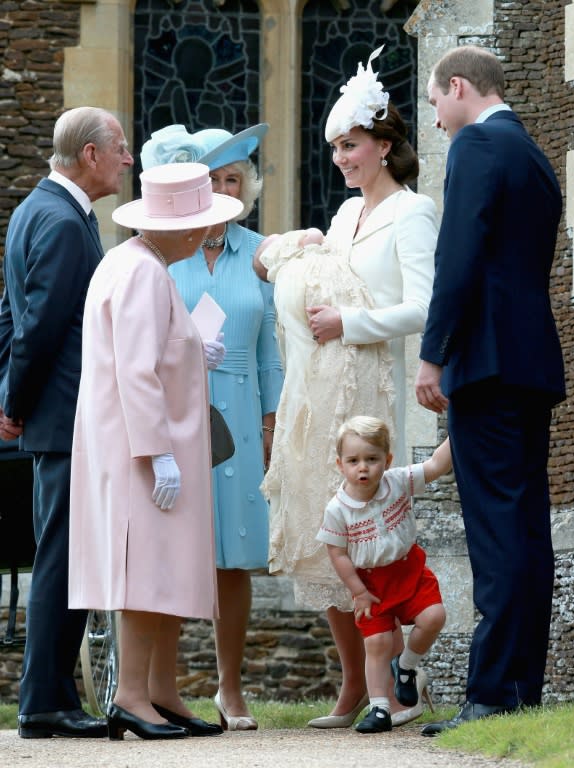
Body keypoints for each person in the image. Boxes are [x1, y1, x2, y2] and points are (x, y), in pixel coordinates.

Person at [255, 46, 438, 728]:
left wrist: (350, 321)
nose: (340, 158)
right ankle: (352, 685)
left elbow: (425, 305)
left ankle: (382, 684)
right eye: (333, 147)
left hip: (367, 391)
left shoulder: (412, 212)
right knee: (323, 525)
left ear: (384, 146)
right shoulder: (340, 216)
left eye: (351, 145)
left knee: (365, 539)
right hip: (321, 389)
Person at [415, 45, 565, 735]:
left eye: (435, 101)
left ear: (457, 87)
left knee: (496, 532)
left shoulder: (476, 145)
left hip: (485, 361)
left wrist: (432, 355)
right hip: (530, 362)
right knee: (526, 529)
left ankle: (491, 695)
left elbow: (458, 256)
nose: (436, 116)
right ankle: (518, 686)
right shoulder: (532, 155)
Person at [68, 161, 243, 740]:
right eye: (200, 223)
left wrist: (195, 352)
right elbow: (135, 371)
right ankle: (133, 697)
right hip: (143, 451)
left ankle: (162, 692)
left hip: (151, 445)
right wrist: (157, 452)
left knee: (165, 570)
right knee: (145, 572)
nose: (203, 234)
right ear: (181, 228)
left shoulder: (137, 263)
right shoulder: (142, 271)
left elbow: (154, 352)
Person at [140, 123, 283, 730]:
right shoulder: (164, 251)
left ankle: (230, 689)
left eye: (233, 179)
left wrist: (274, 420)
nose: (223, 187)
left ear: (245, 188)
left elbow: (271, 348)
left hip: (244, 419)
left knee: (233, 560)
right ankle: (154, 686)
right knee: (174, 552)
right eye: (213, 178)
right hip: (178, 413)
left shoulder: (260, 252)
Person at [0, 107, 133, 739]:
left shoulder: (37, 209)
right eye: (121, 149)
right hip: (63, 416)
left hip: (51, 412)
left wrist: (7, 396)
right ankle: (45, 702)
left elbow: (9, 315)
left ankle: (47, 697)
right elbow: (38, 325)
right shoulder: (58, 219)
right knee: (63, 556)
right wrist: (15, 403)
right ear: (90, 156)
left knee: (62, 552)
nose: (128, 160)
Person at [316, 416, 451, 733]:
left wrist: (459, 428)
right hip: (371, 583)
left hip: (409, 569)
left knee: (434, 617)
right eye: (353, 461)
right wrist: (358, 591)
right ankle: (379, 708)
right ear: (340, 465)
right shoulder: (337, 509)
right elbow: (337, 553)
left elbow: (434, 466)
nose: (363, 468)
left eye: (372, 459)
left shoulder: (397, 481)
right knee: (375, 642)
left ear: (387, 460)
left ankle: (405, 667)